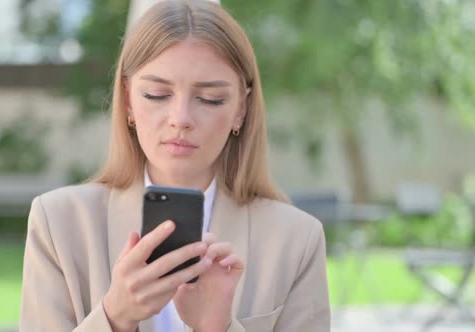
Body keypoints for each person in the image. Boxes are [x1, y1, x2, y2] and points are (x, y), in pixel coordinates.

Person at [19, 1, 330, 331]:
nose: (180, 119)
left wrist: (217, 328)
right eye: (156, 94)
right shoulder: (59, 223)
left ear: (241, 109)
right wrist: (114, 317)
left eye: (210, 99)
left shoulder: (296, 240)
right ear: (127, 100)